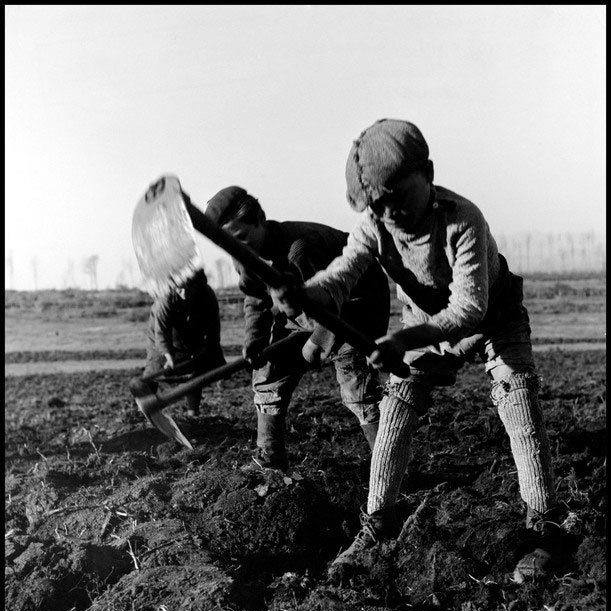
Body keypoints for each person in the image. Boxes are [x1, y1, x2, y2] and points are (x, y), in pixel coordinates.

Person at [271, 118, 573, 583]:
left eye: (399, 199)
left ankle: (545, 528)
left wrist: (404, 340)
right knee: (395, 414)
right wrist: (304, 294)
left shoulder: (461, 219)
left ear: (427, 173)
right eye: (380, 207)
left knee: (519, 408)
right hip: (423, 328)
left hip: (495, 318)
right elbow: (341, 275)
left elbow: (470, 307)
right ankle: (377, 526)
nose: (393, 216)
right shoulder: (374, 225)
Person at [204, 185, 391, 473]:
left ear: (260, 218)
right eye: (229, 244)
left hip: (356, 305)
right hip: (302, 311)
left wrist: (318, 341)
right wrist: (254, 341)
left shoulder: (300, 249)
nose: (237, 249)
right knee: (268, 371)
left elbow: (330, 302)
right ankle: (270, 460)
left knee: (357, 384)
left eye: (241, 238)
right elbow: (256, 299)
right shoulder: (243, 256)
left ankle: (389, 467)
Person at [133, 267, 226, 417]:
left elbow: (213, 327)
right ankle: (144, 412)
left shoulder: (207, 295)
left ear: (197, 286)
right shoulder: (165, 299)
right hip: (160, 334)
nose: (183, 293)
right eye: (179, 289)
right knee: (155, 368)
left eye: (188, 288)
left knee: (195, 370)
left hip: (192, 330)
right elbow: (161, 332)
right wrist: (168, 357)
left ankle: (193, 413)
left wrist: (212, 353)